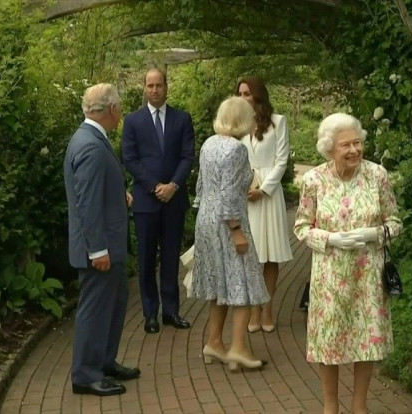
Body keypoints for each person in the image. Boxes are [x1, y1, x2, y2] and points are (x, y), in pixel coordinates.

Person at [294, 113, 401, 414]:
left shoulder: (377, 175)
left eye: (358, 142)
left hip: (367, 274)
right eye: (346, 145)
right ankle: (331, 407)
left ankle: (360, 406)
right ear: (330, 148)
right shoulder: (314, 180)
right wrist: (330, 239)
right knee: (329, 341)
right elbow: (301, 227)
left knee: (366, 339)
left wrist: (375, 233)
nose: (354, 149)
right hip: (329, 276)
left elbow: (395, 222)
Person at [63, 83, 140, 396]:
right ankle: (85, 374)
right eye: (119, 107)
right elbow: (87, 203)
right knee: (95, 309)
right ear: (111, 110)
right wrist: (97, 249)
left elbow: (95, 190)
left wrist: (118, 195)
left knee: (113, 305)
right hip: (100, 248)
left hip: (109, 242)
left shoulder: (91, 139)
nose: (121, 112)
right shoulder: (91, 145)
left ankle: (104, 361)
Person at [190, 96, 270, 371]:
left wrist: (205, 217)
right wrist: (236, 230)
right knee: (243, 283)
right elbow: (228, 194)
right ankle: (238, 348)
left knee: (219, 284)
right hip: (228, 222)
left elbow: (201, 187)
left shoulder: (209, 143)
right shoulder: (236, 149)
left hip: (206, 220)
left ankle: (214, 342)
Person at [122, 67, 195, 333]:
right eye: (150, 86)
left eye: (159, 85)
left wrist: (174, 185)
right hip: (145, 201)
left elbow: (188, 156)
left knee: (170, 257)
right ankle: (150, 314)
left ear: (167, 87)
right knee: (146, 258)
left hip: (174, 201)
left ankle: (171, 312)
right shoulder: (133, 121)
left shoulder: (182, 119)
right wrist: (155, 187)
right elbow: (129, 159)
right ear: (144, 88)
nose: (154, 90)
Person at [235, 76, 293, 333]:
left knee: (270, 255)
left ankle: (267, 307)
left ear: (258, 95)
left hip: (268, 194)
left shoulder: (279, 122)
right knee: (250, 255)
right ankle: (254, 309)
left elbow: (282, 161)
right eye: (239, 94)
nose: (243, 98)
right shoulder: (238, 124)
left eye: (247, 93)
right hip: (246, 193)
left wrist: (263, 189)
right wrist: (244, 185)